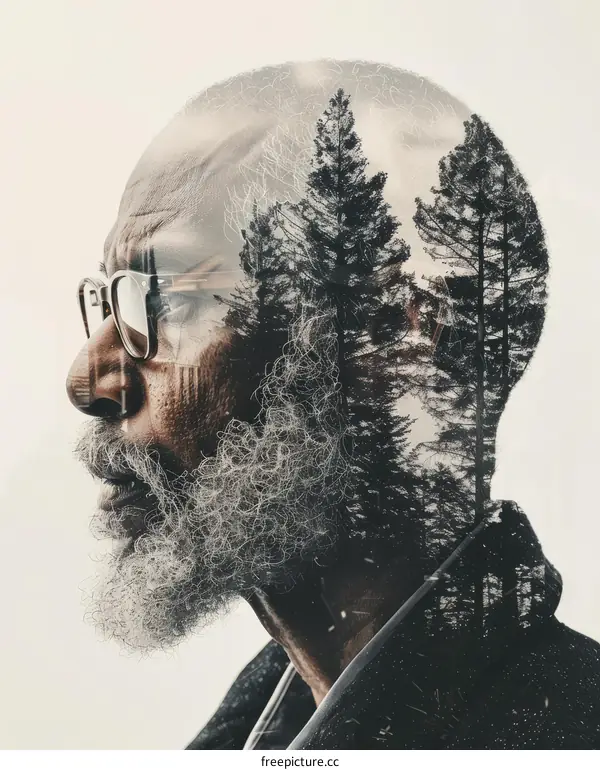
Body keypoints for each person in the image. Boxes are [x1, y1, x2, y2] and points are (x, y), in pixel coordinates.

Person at [66, 59, 600, 750]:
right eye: (109, 301)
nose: (87, 380)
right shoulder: (262, 726)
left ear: (393, 339)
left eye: (164, 300)